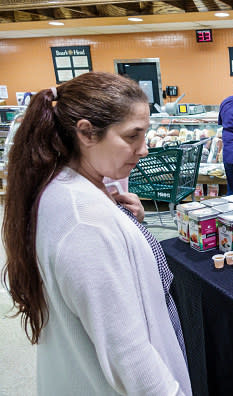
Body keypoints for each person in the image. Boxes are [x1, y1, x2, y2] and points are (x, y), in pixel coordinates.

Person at [1, 72, 192, 395]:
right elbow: (128, 352)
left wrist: (127, 223)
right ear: (87, 133)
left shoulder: (67, 187)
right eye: (132, 136)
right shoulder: (85, 223)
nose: (143, 150)